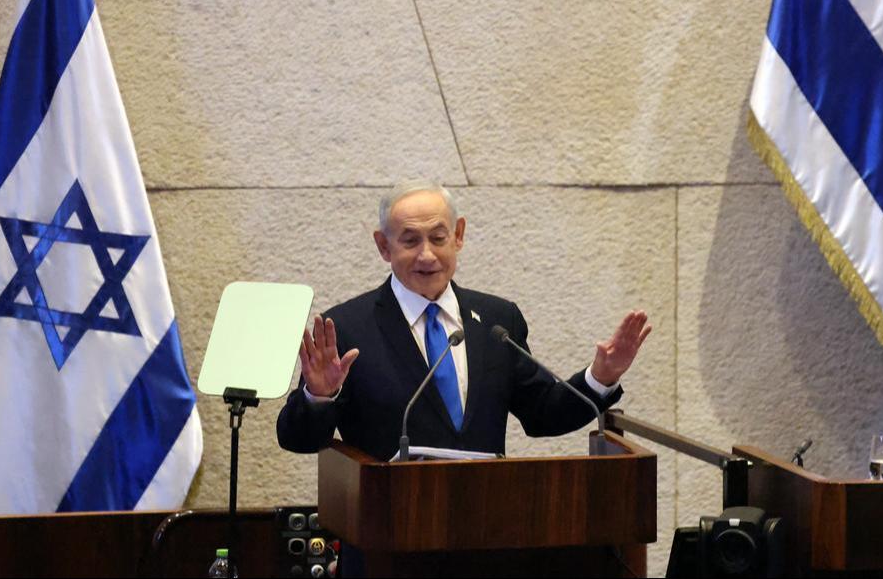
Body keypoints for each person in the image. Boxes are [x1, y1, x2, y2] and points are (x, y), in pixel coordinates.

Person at [276, 180, 652, 460]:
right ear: (383, 246)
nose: (427, 255)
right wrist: (318, 397)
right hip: (387, 540)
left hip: (485, 537)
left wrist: (601, 377)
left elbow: (544, 415)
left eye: (438, 238)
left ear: (458, 236)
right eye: (410, 241)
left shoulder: (497, 322)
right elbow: (298, 439)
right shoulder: (347, 329)